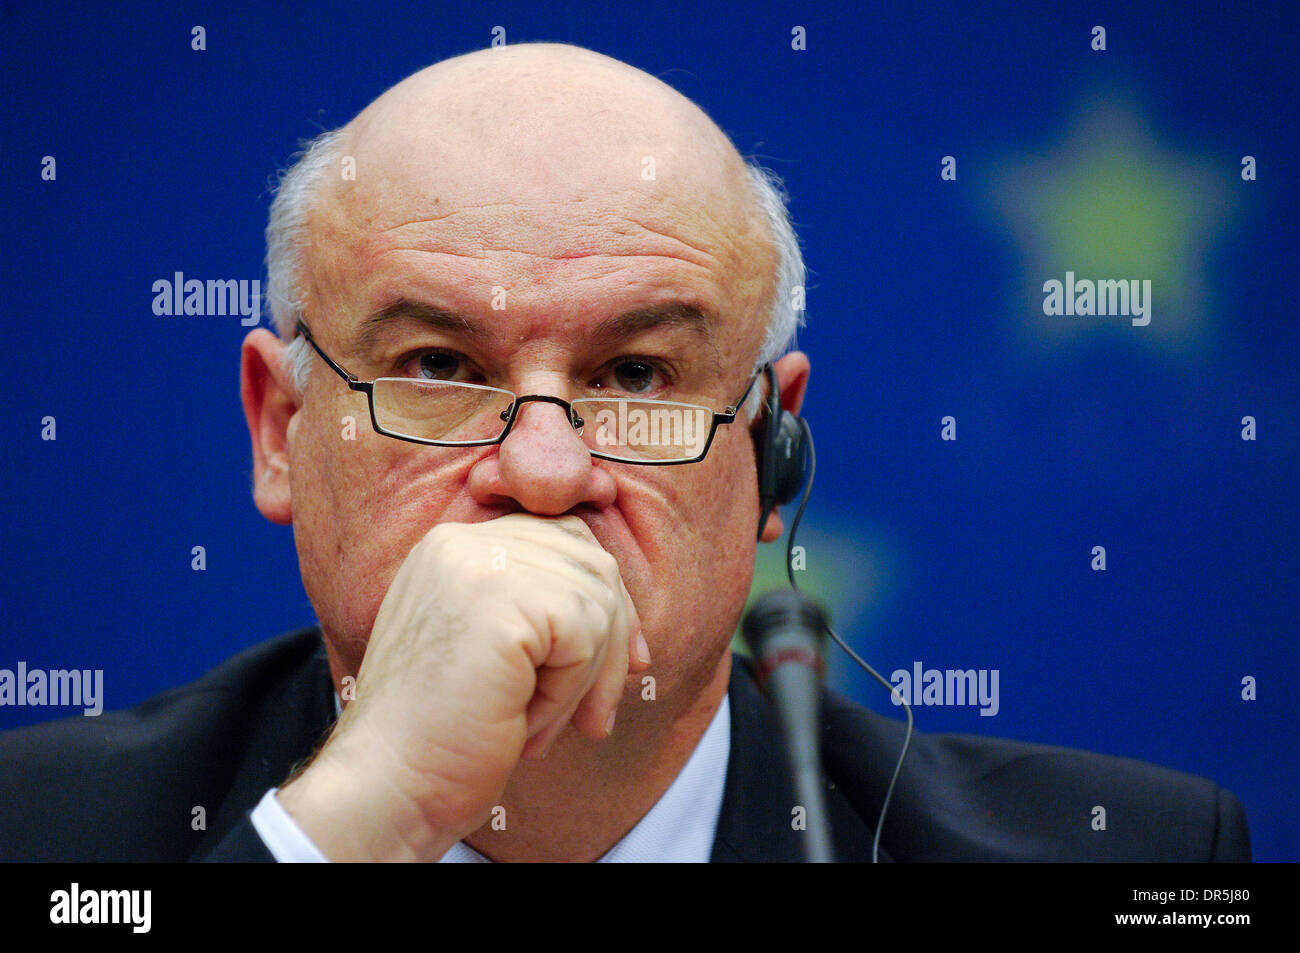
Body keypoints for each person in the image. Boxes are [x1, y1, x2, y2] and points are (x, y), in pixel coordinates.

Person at [0, 43, 1250, 862]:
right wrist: (350, 825)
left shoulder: (1130, 854)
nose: (541, 475)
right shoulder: (44, 836)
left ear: (769, 449)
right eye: (438, 367)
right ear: (280, 429)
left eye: (636, 375)